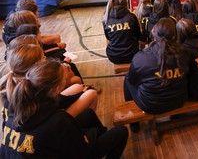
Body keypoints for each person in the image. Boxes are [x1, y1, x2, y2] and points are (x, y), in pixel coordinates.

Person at [0, 59, 128, 158]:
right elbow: (82, 153)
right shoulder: (58, 120)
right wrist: (92, 134)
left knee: (88, 114)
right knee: (121, 131)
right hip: (72, 152)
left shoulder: (21, 102)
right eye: (64, 78)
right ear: (56, 88)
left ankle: (100, 135)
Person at [124, 18, 189, 131]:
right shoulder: (184, 52)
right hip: (179, 99)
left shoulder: (141, 57)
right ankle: (176, 115)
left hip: (152, 105)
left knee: (127, 79)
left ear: (153, 32)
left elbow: (133, 80)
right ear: (175, 35)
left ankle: (134, 123)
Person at [103, 0, 141, 64]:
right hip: (131, 55)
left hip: (113, 56)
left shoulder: (106, 19)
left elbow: (108, 37)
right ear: (125, 1)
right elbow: (138, 35)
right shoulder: (132, 17)